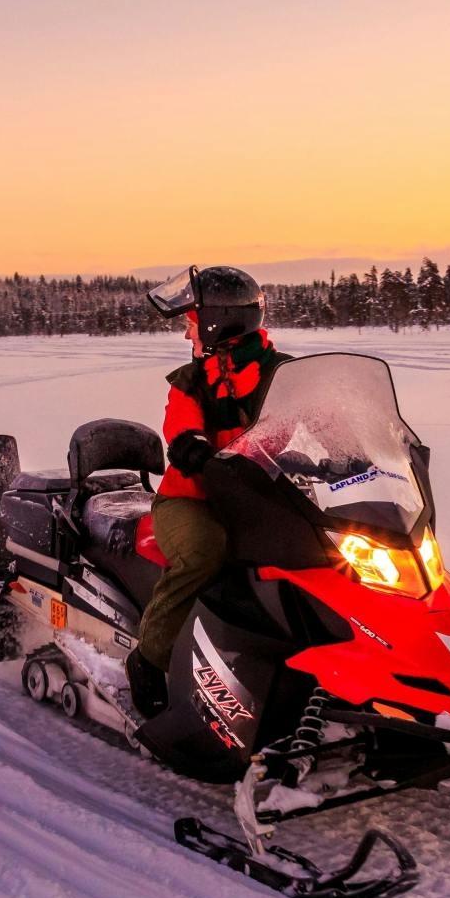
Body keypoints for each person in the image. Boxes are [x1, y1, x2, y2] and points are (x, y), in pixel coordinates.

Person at [127, 265, 289, 716]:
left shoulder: (283, 374)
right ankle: (148, 658)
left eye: (191, 324)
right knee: (205, 549)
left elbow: (313, 420)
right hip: (190, 498)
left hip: (263, 501)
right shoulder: (191, 381)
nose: (187, 336)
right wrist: (191, 445)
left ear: (218, 323)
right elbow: (180, 424)